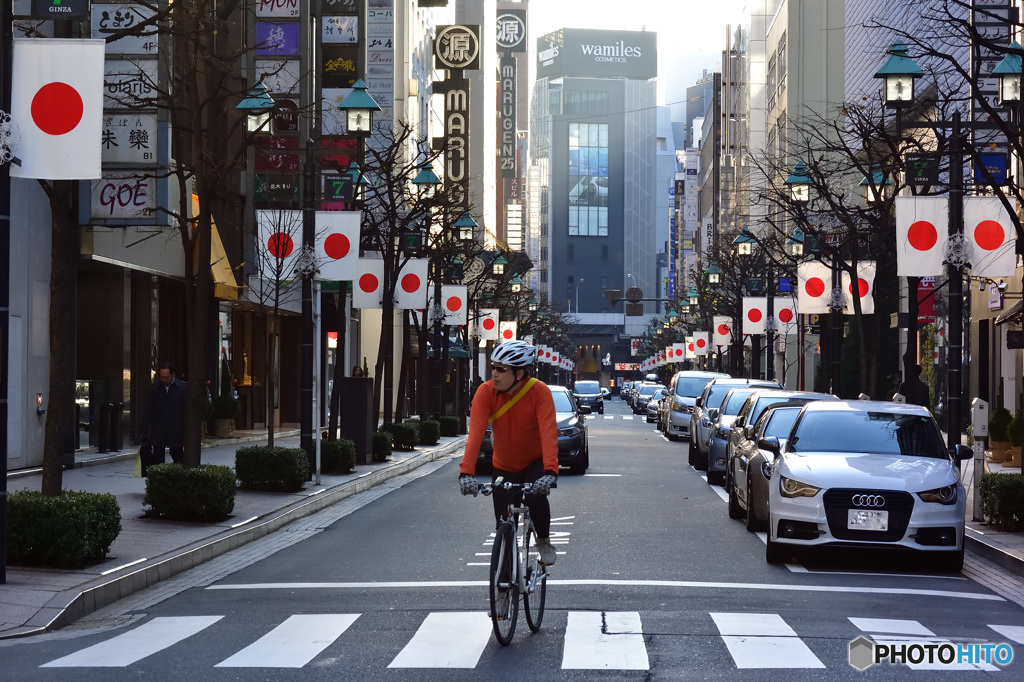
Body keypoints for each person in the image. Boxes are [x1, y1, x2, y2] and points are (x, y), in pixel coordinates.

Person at [459, 340, 560, 565]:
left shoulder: (539, 392)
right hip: (503, 464)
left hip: (535, 462)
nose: (494, 373)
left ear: (519, 373)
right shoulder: (485, 392)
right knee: (503, 525)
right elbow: (474, 435)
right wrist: (466, 474)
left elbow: (548, 434)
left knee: (536, 497)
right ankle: (504, 581)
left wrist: (550, 472)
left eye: (501, 369)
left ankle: (543, 540)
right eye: (493, 367)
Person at [141, 361, 187, 465]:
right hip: (159, 428)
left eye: (166, 377)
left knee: (177, 455)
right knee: (157, 457)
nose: (164, 379)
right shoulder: (155, 388)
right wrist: (144, 429)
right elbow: (149, 409)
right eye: (161, 377)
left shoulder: (182, 388)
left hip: (175, 429)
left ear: (173, 375)